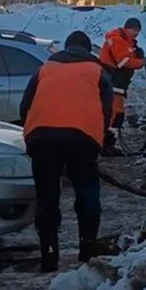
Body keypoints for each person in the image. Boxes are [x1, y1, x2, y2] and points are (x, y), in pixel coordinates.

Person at [20, 31, 113, 272]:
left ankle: (49, 256)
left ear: (67, 46)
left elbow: (25, 105)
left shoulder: (46, 68)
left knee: (47, 198)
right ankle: (87, 248)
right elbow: (107, 112)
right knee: (87, 192)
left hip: (42, 138)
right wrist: (98, 139)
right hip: (82, 139)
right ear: (87, 49)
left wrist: (32, 135)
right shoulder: (97, 71)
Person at [98, 17, 146, 154]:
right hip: (112, 83)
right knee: (114, 114)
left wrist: (137, 55)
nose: (136, 33)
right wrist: (140, 62)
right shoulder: (118, 40)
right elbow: (123, 62)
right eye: (134, 29)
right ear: (127, 28)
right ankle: (105, 144)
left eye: (138, 30)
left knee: (116, 114)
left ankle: (108, 143)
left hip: (117, 84)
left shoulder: (126, 42)